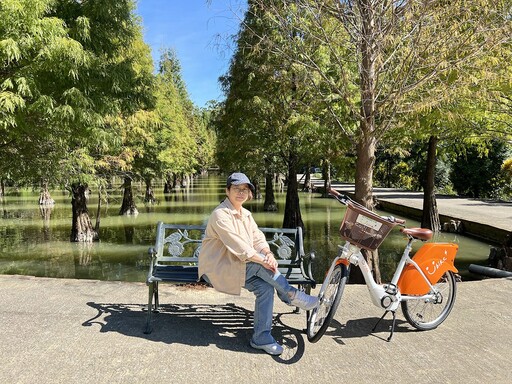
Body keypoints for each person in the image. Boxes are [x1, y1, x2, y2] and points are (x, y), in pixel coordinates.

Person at [198, 172, 319, 355]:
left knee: (265, 288)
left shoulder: (246, 214)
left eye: (245, 189)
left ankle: (261, 338)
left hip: (238, 266)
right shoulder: (220, 215)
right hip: (217, 268)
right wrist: (264, 261)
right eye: (237, 189)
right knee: (261, 266)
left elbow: (257, 238)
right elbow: (240, 247)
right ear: (227, 191)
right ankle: (291, 294)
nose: (241, 192)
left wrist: (268, 253)